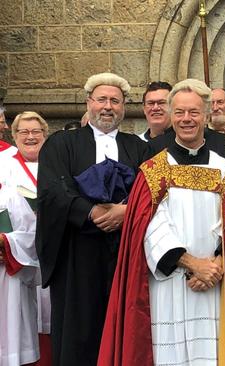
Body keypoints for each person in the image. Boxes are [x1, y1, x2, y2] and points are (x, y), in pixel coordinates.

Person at [98, 79, 225, 366]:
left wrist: (216, 265)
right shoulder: (154, 170)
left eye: (194, 112)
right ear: (171, 116)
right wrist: (191, 263)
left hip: (212, 284)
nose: (186, 119)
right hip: (168, 284)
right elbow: (149, 228)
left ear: (207, 115)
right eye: (180, 112)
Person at [35, 72, 149, 366]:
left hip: (125, 250)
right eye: (101, 100)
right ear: (89, 103)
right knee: (78, 329)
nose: (108, 106)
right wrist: (90, 211)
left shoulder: (139, 147)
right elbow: (53, 188)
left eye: (115, 100)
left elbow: (152, 189)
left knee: (123, 322)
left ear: (124, 106)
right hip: (76, 251)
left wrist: (127, 211)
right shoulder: (62, 143)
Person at [0, 111, 51, 366]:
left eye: (36, 132)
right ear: (14, 135)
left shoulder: (56, 162)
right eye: (24, 132)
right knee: (15, 319)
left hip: (51, 252)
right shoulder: (4, 163)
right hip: (13, 254)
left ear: (45, 134)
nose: (30, 137)